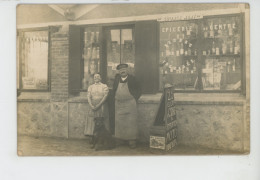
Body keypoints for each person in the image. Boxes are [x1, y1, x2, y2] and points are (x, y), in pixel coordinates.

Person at [112, 63, 142, 148]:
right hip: (119, 104)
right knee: (119, 122)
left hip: (130, 103)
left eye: (124, 69)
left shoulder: (132, 79)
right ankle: (120, 139)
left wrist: (134, 98)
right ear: (119, 71)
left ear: (127, 70)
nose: (123, 71)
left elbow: (139, 90)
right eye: (121, 70)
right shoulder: (116, 79)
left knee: (131, 122)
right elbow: (114, 89)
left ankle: (132, 141)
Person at [84, 73, 110, 142]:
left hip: (102, 106)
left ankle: (101, 138)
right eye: (95, 77)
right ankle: (92, 137)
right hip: (92, 106)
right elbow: (88, 96)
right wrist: (91, 105)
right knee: (92, 120)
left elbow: (105, 96)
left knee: (101, 120)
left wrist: (99, 105)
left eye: (98, 76)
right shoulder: (91, 87)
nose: (96, 78)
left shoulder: (104, 86)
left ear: (100, 78)